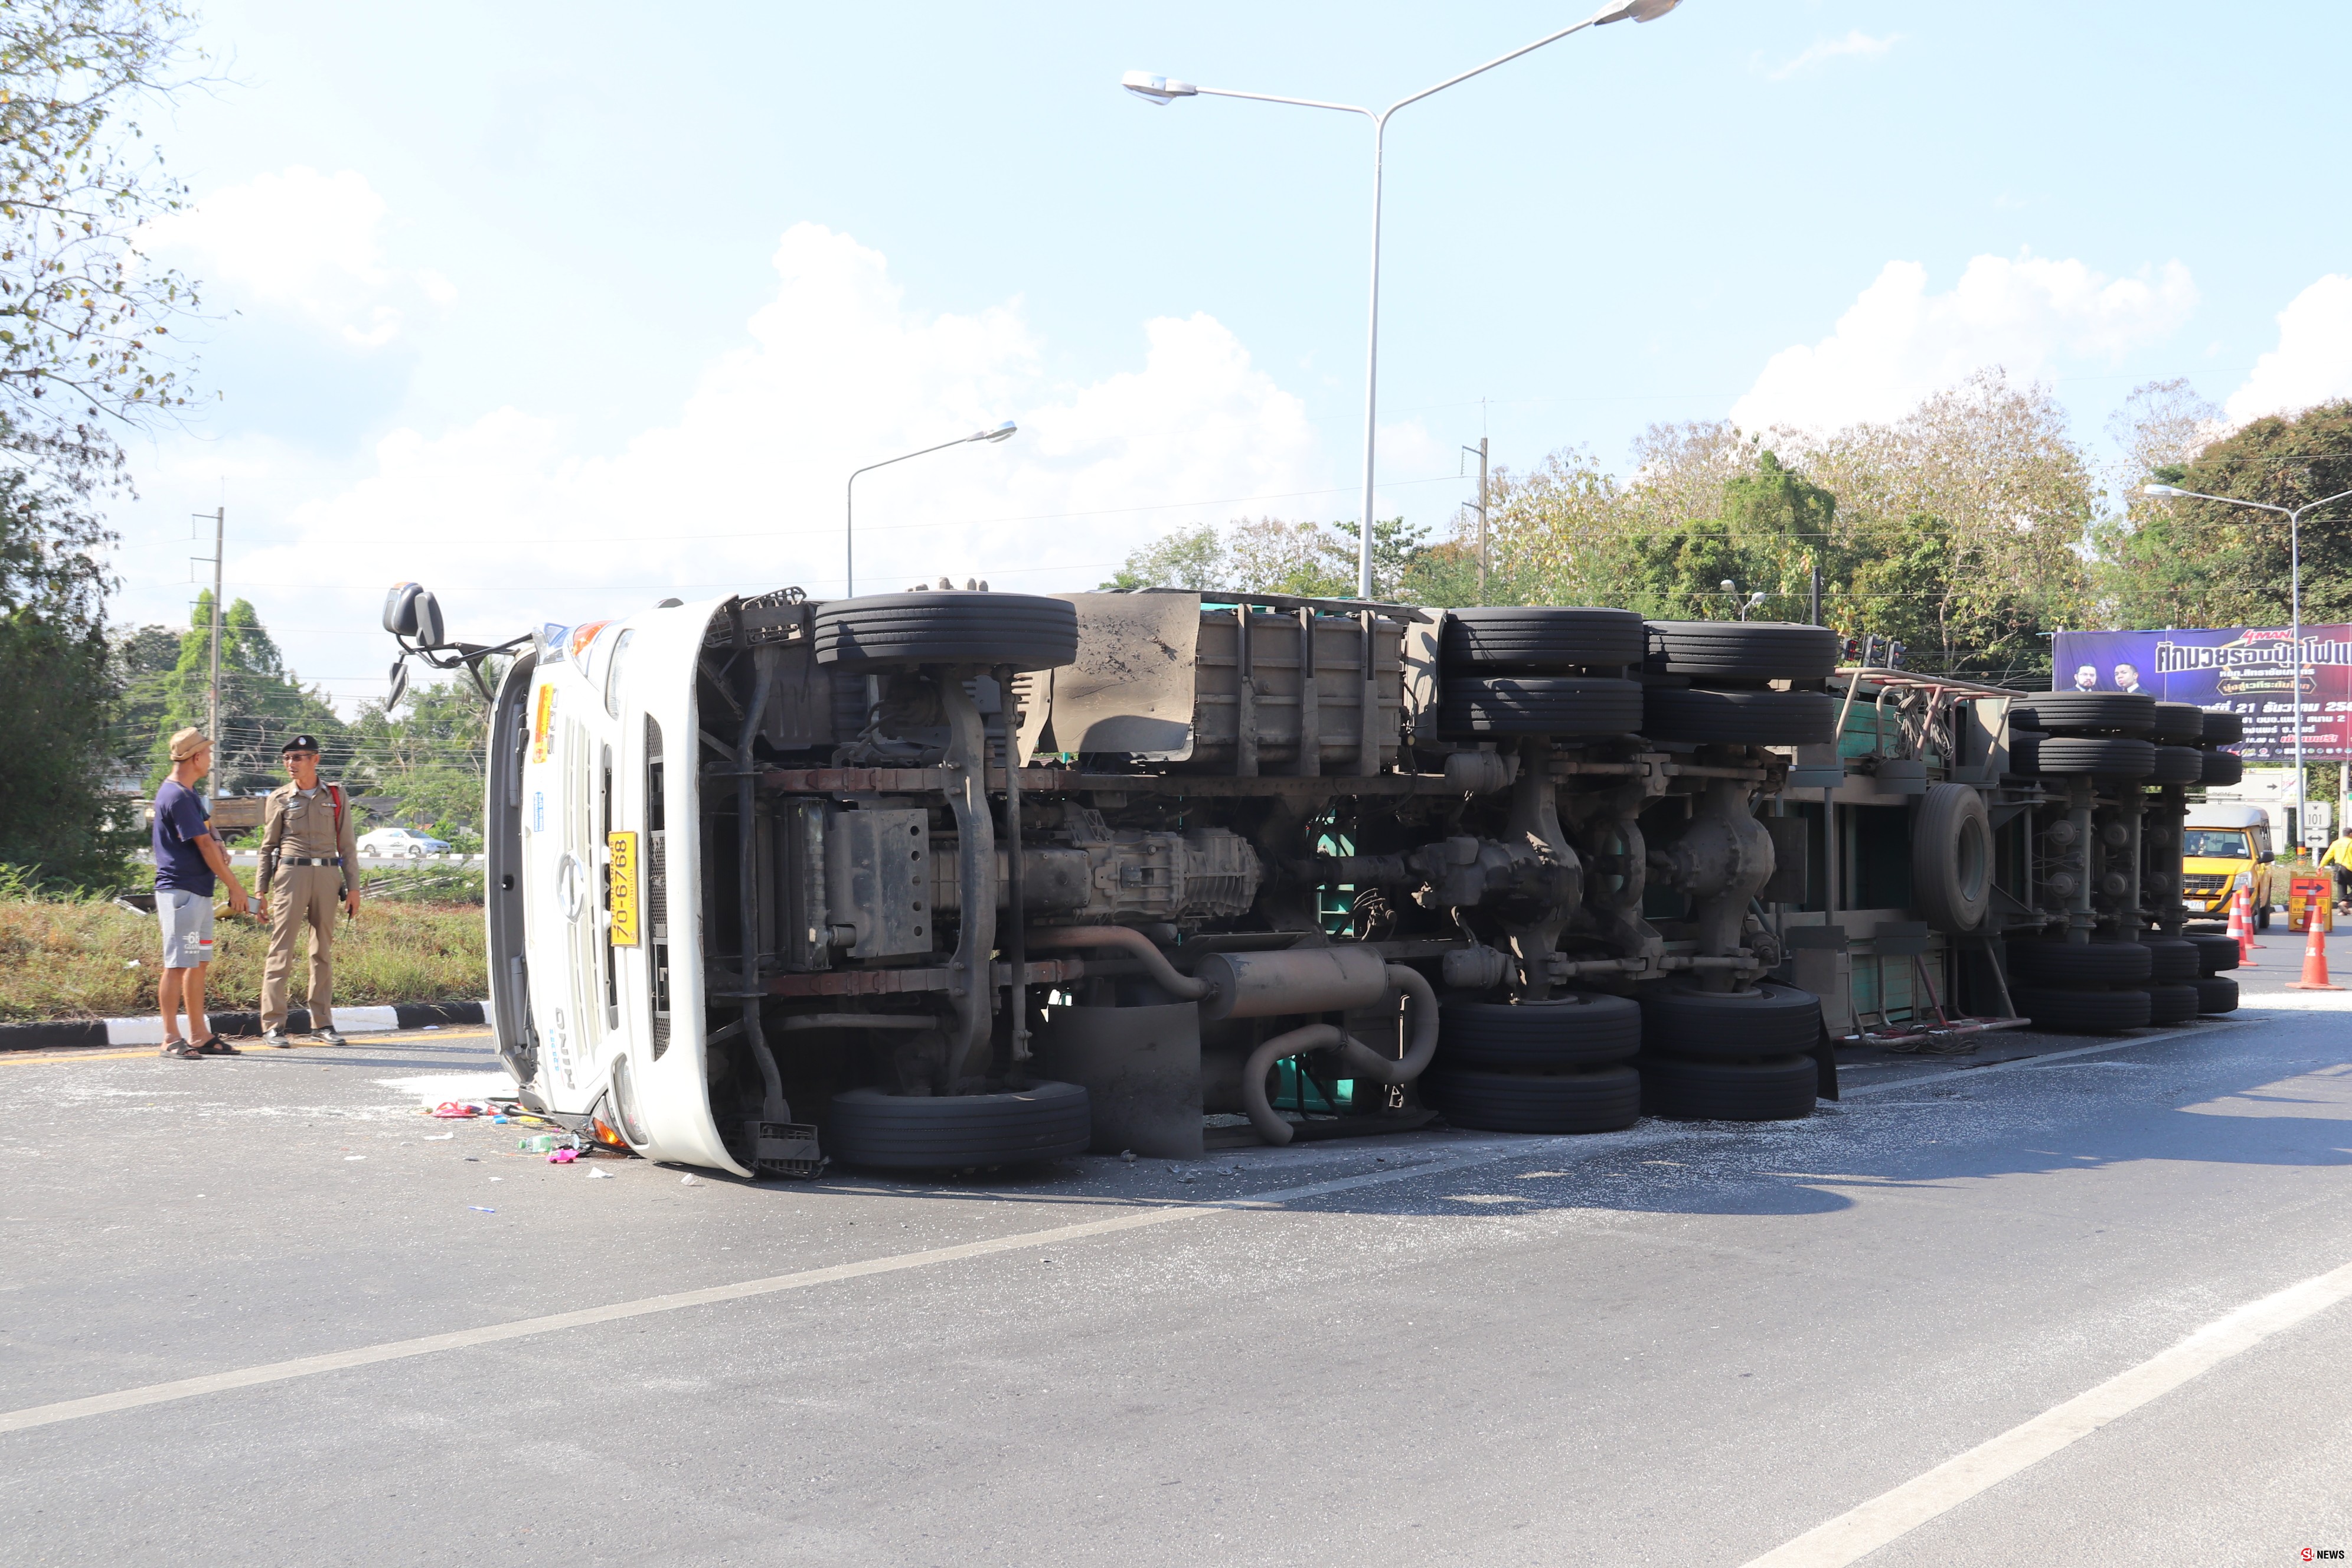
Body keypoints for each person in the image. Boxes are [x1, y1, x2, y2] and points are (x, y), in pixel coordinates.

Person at [152, 728, 251, 1059]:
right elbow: (204, 845)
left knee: (197, 962)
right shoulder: (177, 796)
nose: (210, 759)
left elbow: (210, 830)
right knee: (177, 964)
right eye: (207, 754)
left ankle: (198, 1034)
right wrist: (235, 887)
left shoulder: (189, 794)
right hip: (181, 893)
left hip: (197, 892)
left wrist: (222, 842)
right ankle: (169, 1037)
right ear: (196, 758)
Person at [256, 734, 361, 1047]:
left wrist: (353, 888)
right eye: (287, 758)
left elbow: (348, 846)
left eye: (298, 757)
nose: (291, 764)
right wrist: (260, 891)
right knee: (281, 949)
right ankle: (274, 1026)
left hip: (328, 875)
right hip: (291, 874)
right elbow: (267, 847)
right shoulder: (278, 798)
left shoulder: (336, 795)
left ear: (315, 760)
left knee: (322, 952)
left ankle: (323, 1024)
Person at [2324, 826, 2352, 912]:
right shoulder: (2351, 842)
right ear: (2351, 834)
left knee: (2341, 888)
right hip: (2349, 868)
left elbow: (2328, 855)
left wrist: (2321, 866)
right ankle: (2345, 901)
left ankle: (2342, 911)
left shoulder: (2336, 843)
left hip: (2338, 868)